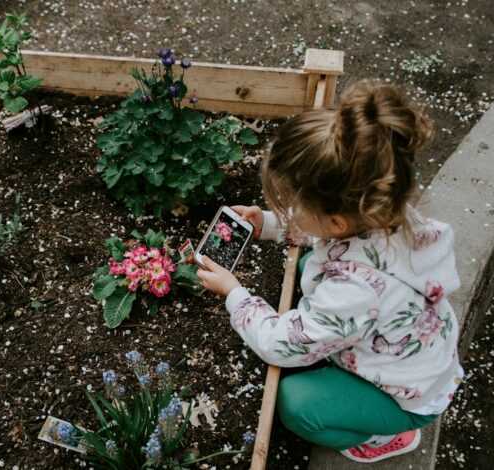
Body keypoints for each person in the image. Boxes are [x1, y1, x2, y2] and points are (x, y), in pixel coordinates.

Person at [196, 80, 464, 463]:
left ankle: (383, 436)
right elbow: (323, 234)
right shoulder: (385, 210)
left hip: (403, 395)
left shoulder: (353, 291)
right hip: (412, 353)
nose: (289, 207)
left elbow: (280, 345)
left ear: (337, 221)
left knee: (295, 403)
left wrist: (235, 293)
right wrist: (269, 224)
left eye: (293, 203)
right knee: (309, 264)